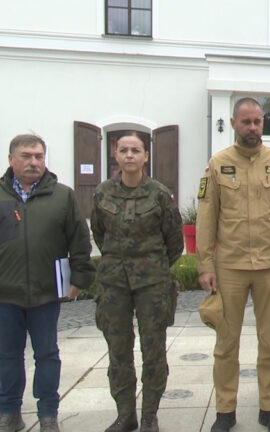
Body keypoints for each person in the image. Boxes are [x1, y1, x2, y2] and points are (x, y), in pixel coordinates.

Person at [197, 97, 270, 432]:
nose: (253, 128)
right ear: (233, 124)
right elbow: (206, 218)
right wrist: (205, 265)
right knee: (226, 343)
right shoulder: (218, 164)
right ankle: (225, 411)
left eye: (257, 122)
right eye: (246, 122)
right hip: (230, 266)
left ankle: (269, 408)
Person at [0, 134, 95, 432]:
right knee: (7, 356)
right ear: (11, 160)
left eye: (39, 156)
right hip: (5, 295)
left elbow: (79, 240)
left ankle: (48, 415)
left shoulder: (62, 196)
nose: (34, 162)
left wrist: (79, 278)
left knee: (47, 354)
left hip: (46, 293)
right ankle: (9, 413)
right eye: (27, 156)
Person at [91, 132, 184, 432]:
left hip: (152, 285)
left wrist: (152, 266)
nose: (129, 155)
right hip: (113, 283)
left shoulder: (159, 194)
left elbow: (174, 241)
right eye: (123, 150)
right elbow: (99, 233)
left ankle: (149, 416)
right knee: (118, 349)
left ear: (146, 156)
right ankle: (125, 414)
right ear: (115, 156)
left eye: (135, 150)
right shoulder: (102, 193)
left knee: (153, 349)